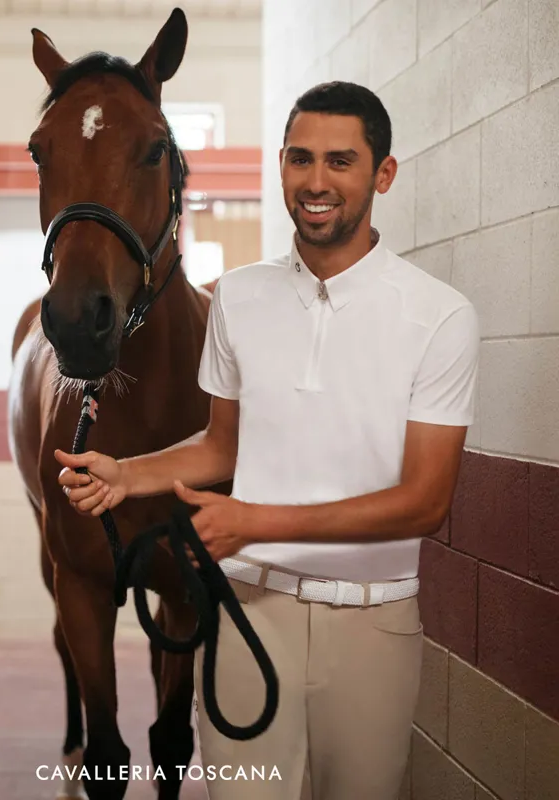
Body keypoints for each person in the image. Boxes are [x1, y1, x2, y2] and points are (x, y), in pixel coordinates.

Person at [54, 81, 479, 800]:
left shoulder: (440, 316)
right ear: (280, 164)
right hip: (245, 613)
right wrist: (127, 474)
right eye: (300, 158)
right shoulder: (238, 297)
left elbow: (424, 503)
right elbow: (222, 447)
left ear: (383, 174)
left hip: (372, 620)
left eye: (340, 161)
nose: (316, 182)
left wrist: (255, 523)